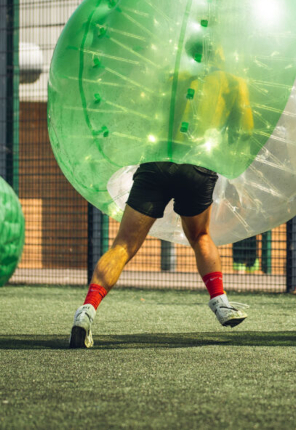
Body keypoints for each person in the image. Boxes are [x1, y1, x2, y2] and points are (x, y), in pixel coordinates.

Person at [69, 67, 254, 349]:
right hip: (198, 165)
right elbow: (246, 131)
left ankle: (86, 311)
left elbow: (145, 115)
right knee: (200, 237)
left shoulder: (173, 74)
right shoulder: (233, 81)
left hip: (157, 162)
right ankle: (221, 304)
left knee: (124, 244)